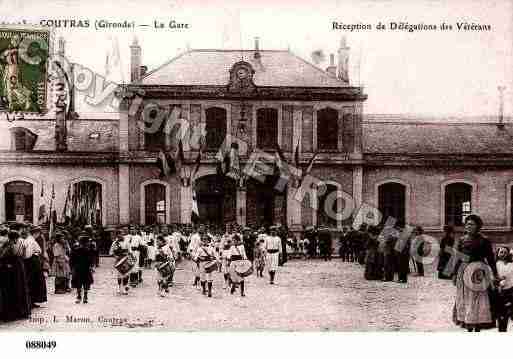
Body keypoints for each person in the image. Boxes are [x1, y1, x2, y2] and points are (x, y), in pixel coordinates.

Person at [452, 214, 499, 332]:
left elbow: (491, 259)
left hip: (479, 272)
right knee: (466, 298)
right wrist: (453, 274)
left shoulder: (484, 240)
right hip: (464, 272)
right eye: (467, 224)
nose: (468, 226)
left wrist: (495, 274)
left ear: (477, 226)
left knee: (479, 298)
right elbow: (457, 258)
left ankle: (478, 324)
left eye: (471, 224)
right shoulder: (462, 240)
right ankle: (468, 323)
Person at [0, 229, 31, 322]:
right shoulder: (19, 244)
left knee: (13, 290)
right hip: (18, 267)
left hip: (12, 269)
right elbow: (25, 256)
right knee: (19, 289)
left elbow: (2, 257)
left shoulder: (8, 245)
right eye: (16, 238)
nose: (16, 240)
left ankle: (14, 313)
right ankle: (21, 312)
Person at [20, 225, 47, 308]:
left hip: (33, 262)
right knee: (33, 281)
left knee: (35, 281)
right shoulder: (30, 241)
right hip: (32, 263)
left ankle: (33, 300)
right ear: (35, 233)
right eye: (38, 233)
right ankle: (32, 300)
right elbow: (28, 254)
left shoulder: (30, 240)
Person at [70, 234, 94, 304]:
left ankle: (79, 296)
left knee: (79, 283)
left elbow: (72, 260)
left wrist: (72, 268)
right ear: (86, 243)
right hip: (85, 269)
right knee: (86, 283)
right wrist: (91, 266)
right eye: (88, 242)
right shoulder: (89, 250)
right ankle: (85, 297)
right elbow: (91, 260)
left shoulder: (75, 249)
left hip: (78, 269)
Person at [495, 246, 513, 332]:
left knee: (508, 312)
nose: (503, 254)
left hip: (510, 291)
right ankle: (501, 328)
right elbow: (491, 277)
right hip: (499, 292)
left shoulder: (511, 265)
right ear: (498, 254)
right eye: (501, 252)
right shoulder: (495, 265)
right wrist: (498, 281)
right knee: (500, 313)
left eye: (505, 252)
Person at [109, 229, 131, 295]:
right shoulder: (115, 243)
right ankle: (118, 287)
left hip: (125, 259)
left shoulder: (126, 242)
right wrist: (115, 257)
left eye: (122, 234)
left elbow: (129, 251)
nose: (121, 235)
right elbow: (111, 252)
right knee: (119, 275)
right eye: (119, 234)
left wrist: (128, 256)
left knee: (126, 274)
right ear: (117, 235)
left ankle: (124, 288)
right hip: (118, 260)